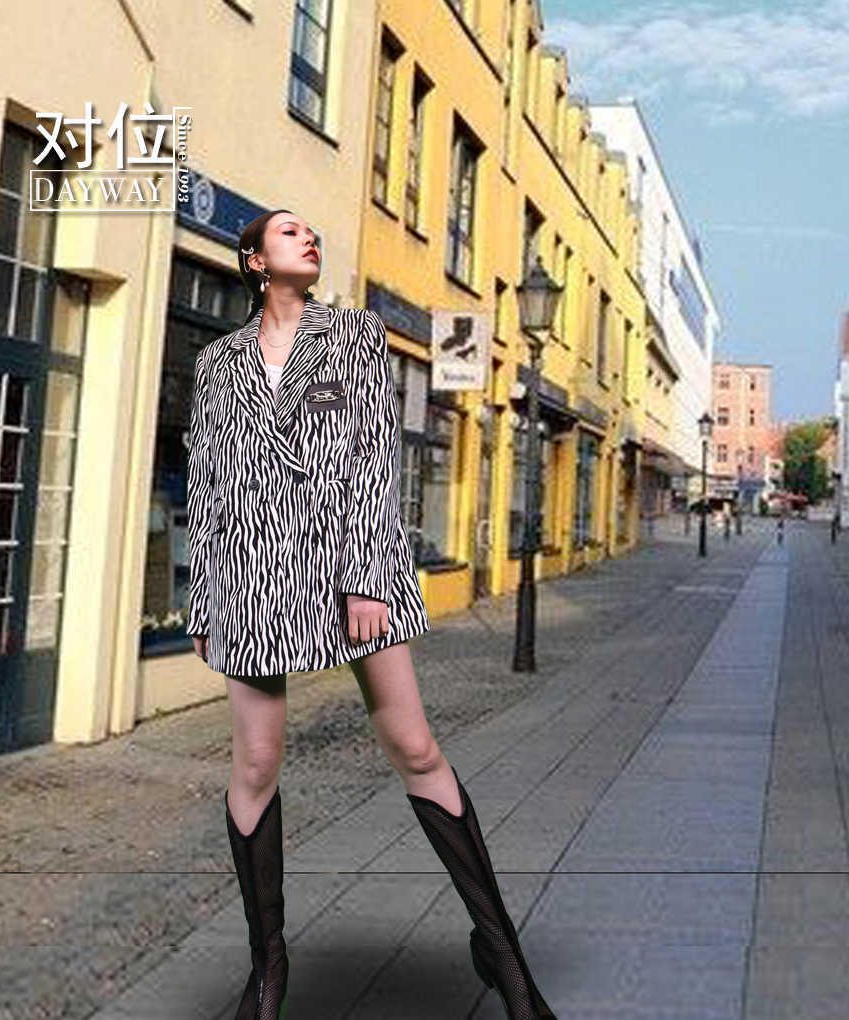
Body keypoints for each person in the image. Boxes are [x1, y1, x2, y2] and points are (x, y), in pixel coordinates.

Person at [185, 209, 559, 1020]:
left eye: (310, 233)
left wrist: (363, 580)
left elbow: (374, 460)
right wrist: (206, 597)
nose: (307, 238)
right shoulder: (217, 363)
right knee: (256, 763)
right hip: (254, 574)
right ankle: (268, 966)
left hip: (353, 565)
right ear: (254, 260)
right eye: (288, 232)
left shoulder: (354, 335)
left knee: (415, 745)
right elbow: (208, 483)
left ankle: (504, 958)